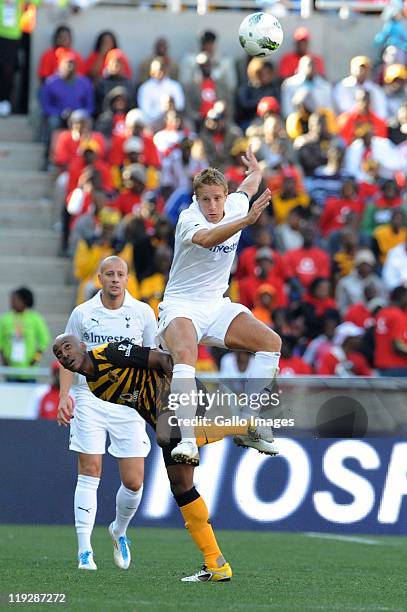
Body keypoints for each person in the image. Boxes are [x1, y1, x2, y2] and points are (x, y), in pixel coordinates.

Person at [53, 334, 279, 582]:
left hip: (178, 396)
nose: (64, 355)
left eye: (67, 348)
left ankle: (243, 426)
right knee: (181, 485)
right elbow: (141, 403)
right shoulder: (96, 388)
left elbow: (163, 360)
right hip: (162, 418)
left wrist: (180, 400)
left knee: (166, 437)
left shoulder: (110, 352)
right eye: (59, 354)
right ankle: (216, 563)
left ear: (83, 347)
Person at [156, 146, 282, 470]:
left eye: (217, 198)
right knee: (186, 356)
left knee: (272, 343)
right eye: (205, 199)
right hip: (181, 306)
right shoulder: (189, 219)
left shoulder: (238, 203)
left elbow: (250, 184)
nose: (212, 206)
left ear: (226, 195)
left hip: (216, 306)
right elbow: (207, 239)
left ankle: (248, 421)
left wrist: (255, 168)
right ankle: (187, 440)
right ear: (196, 200)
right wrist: (246, 221)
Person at [57, 256, 157, 571]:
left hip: (128, 401)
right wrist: (64, 396)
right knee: (90, 469)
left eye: (120, 274)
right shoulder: (83, 313)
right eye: (109, 274)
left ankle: (119, 530)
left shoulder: (142, 313)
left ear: (128, 279)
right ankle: (84, 550)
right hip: (89, 398)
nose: (115, 279)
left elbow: (153, 359)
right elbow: (67, 355)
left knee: (134, 481)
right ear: (99, 278)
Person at [0, 287, 50, 382]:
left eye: (15, 299)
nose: (12, 302)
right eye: (11, 299)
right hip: (11, 370)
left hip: (29, 371)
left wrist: (36, 357)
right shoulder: (5, 319)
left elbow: (44, 340)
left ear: (24, 300)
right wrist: (4, 359)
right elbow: (0, 341)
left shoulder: (35, 318)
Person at [374, 285, 407, 376]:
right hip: (398, 366)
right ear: (402, 297)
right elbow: (397, 344)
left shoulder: (381, 313)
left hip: (381, 365)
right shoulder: (397, 315)